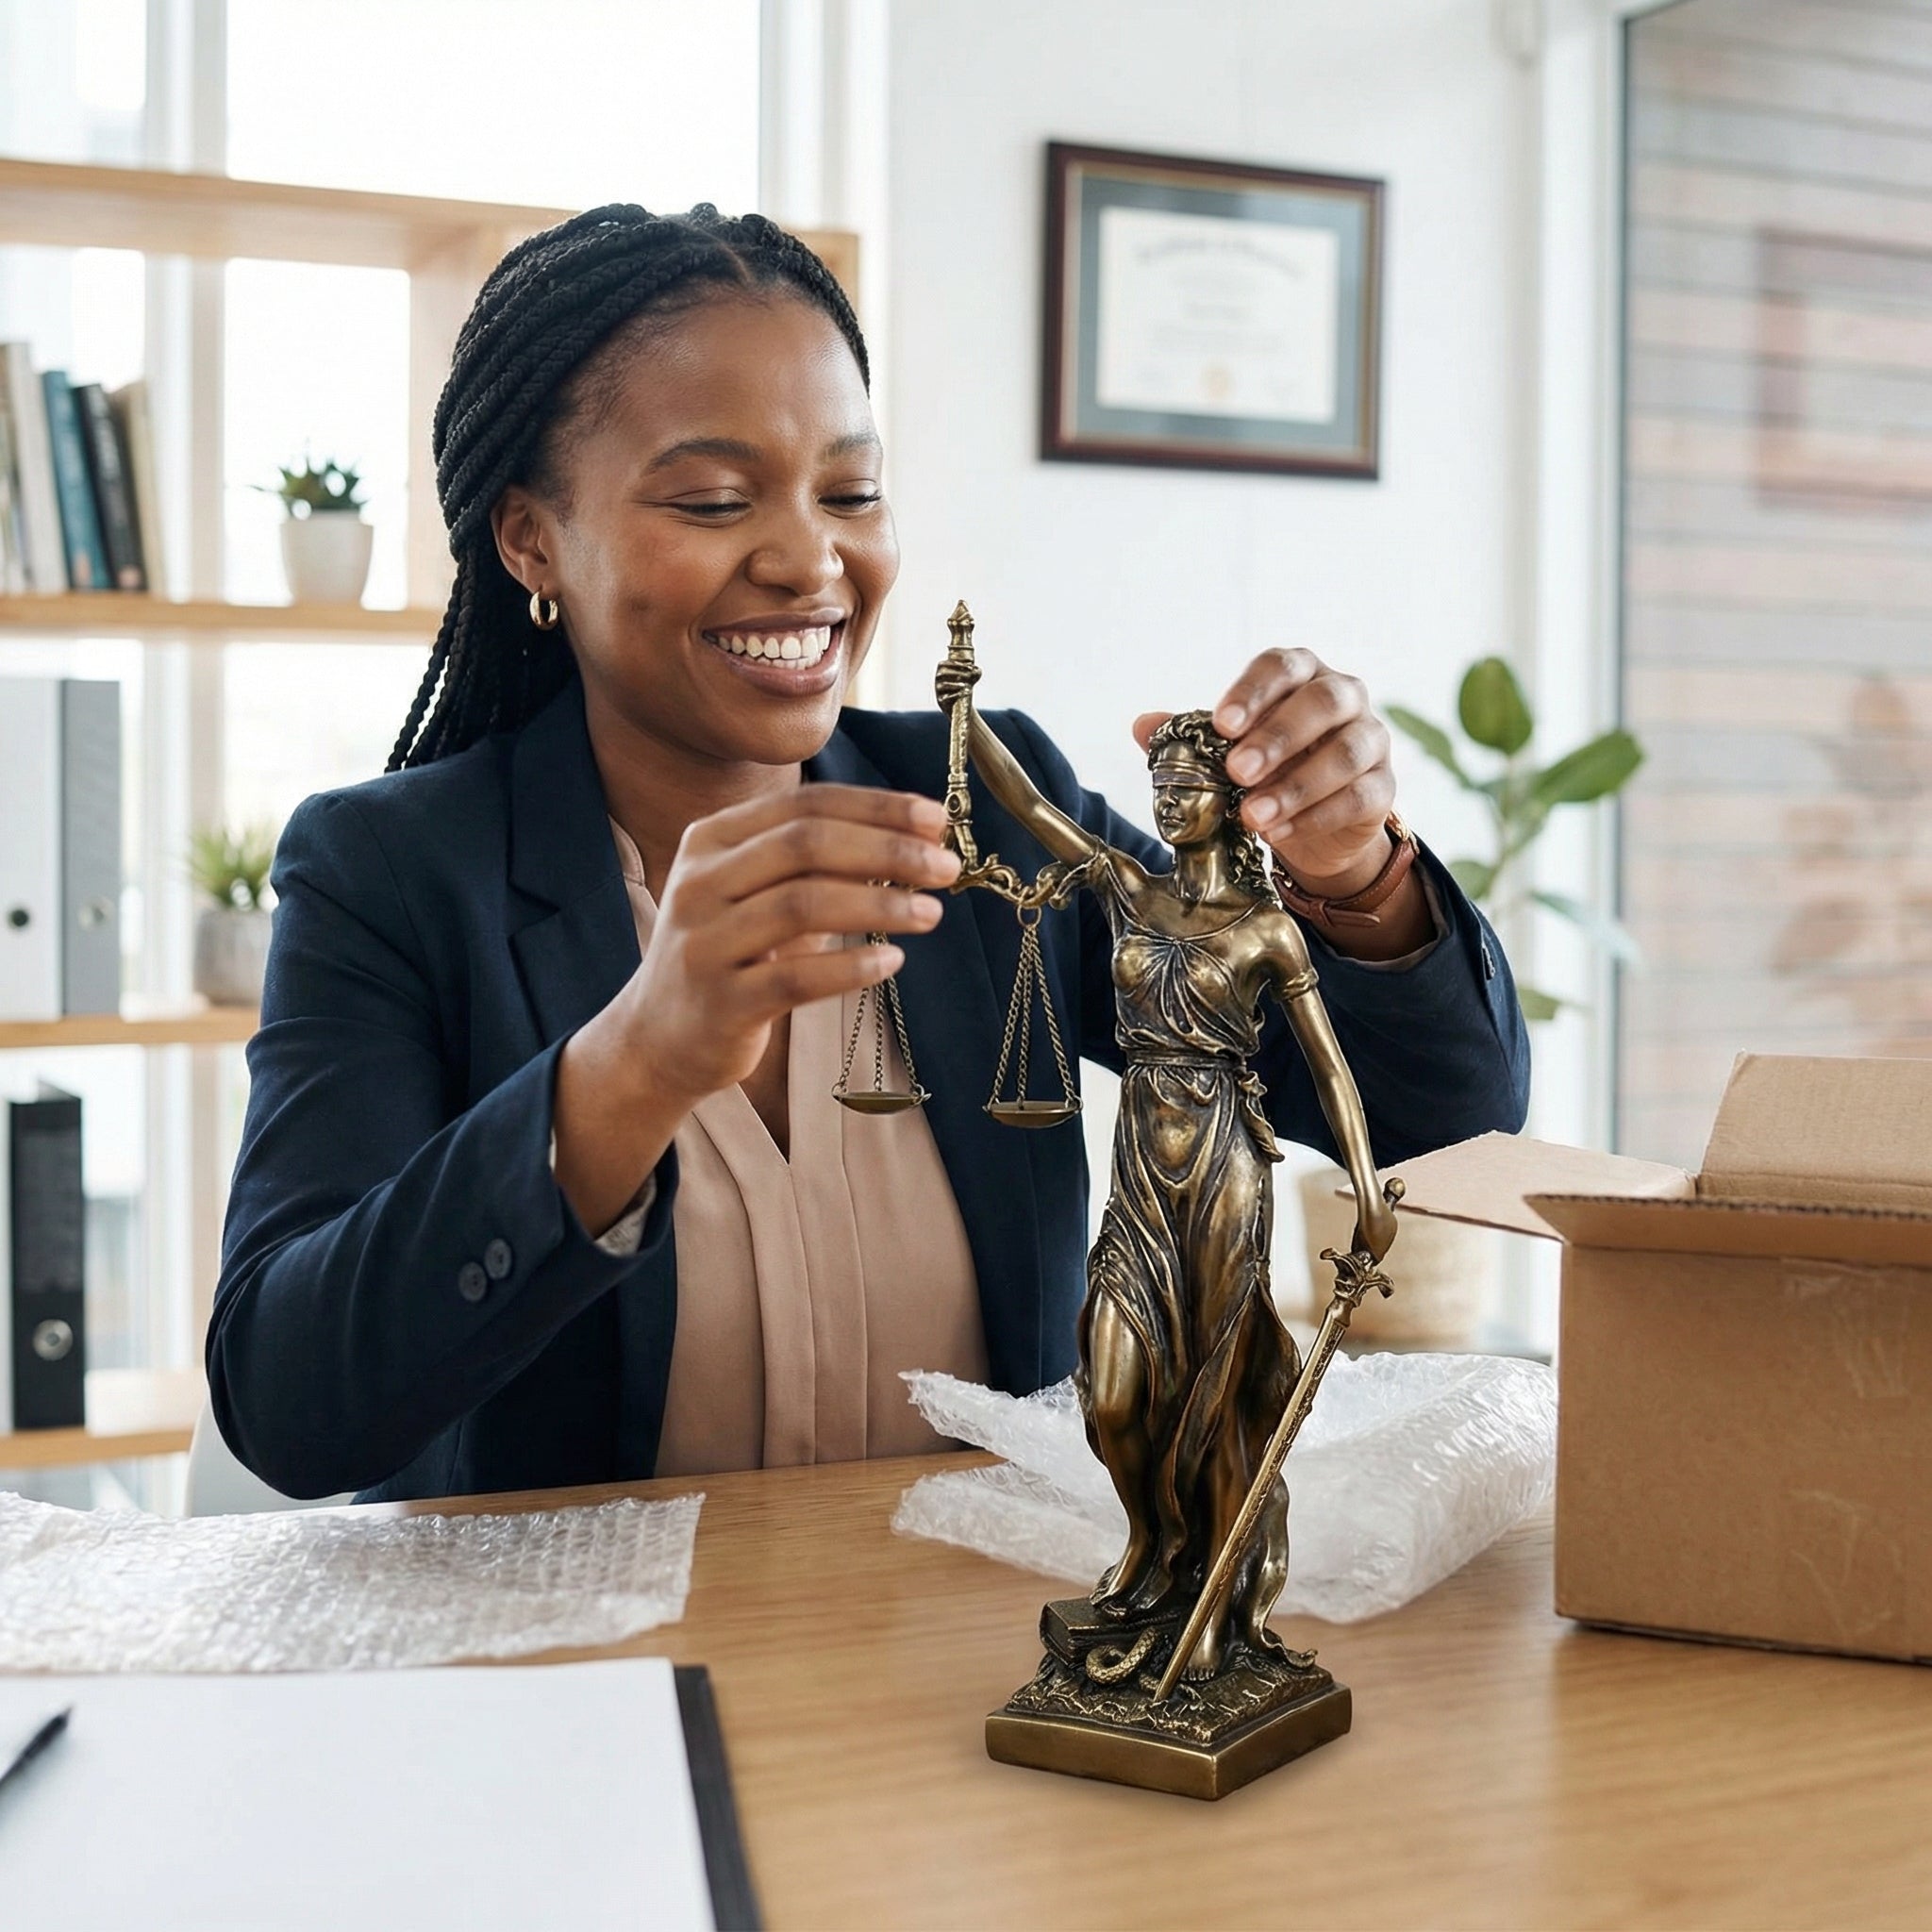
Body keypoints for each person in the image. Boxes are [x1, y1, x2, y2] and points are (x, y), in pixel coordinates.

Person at [208, 204, 1530, 1505]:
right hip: (585, 1695)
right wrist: (635, 1064)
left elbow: (1437, 1122)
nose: (810, 557)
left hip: (954, 1681)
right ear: (529, 538)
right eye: (716, 498)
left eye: (852, 490)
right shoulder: (389, 872)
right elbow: (292, 1405)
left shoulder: (983, 812)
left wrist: (1356, 876)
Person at [940, 690, 1397, 1680]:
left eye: (1187, 788)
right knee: (1112, 1391)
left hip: (1225, 1163)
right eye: (1160, 787)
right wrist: (962, 708)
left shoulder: (1268, 928)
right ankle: (1150, 1543)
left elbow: (1325, 1067)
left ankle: (1211, 1596)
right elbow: (1032, 809)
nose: (1168, 804)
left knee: (1215, 1388)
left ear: (1228, 804)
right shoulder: (1129, 889)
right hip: (1140, 1161)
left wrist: (1363, 1189)